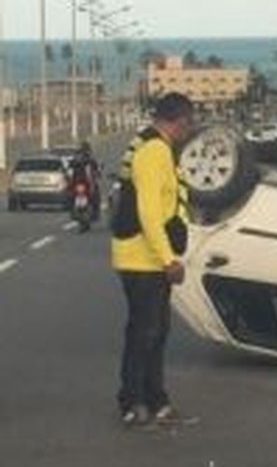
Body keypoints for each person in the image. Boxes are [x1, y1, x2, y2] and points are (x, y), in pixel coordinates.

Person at [111, 92, 197, 427]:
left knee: (156, 332)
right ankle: (132, 403)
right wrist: (167, 260)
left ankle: (157, 400)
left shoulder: (157, 148)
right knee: (144, 334)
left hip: (149, 259)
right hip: (142, 260)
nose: (189, 131)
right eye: (188, 123)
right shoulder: (154, 151)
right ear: (178, 121)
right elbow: (148, 212)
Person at [69, 140, 102, 220]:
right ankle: (94, 212)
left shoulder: (77, 158)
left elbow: (96, 168)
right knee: (95, 194)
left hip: (81, 182)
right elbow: (96, 167)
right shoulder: (88, 158)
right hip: (83, 182)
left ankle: (93, 212)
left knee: (94, 194)